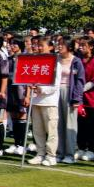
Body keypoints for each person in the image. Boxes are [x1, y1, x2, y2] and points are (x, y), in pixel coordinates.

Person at [28, 37, 60, 166]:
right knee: (37, 130)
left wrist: (41, 89)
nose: (39, 48)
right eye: (38, 45)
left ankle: (51, 156)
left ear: (50, 47)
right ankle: (40, 153)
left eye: (42, 45)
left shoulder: (55, 63)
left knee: (51, 131)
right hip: (36, 101)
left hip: (49, 102)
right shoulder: (36, 63)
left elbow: (55, 85)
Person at [56, 37, 85, 164]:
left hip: (70, 93)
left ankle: (70, 154)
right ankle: (59, 152)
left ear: (70, 47)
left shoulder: (76, 61)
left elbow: (80, 81)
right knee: (58, 124)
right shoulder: (56, 59)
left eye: (62, 44)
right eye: (58, 44)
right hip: (55, 93)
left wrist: (77, 98)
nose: (59, 46)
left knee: (70, 124)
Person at [77, 36, 94, 161]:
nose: (80, 47)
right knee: (81, 126)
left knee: (92, 127)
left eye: (83, 45)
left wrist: (79, 89)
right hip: (80, 99)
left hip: (92, 99)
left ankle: (92, 150)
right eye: (80, 45)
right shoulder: (78, 61)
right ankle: (81, 148)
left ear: (91, 47)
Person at [3, 36, 28, 155]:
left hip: (21, 90)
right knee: (14, 116)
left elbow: (28, 79)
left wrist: (27, 95)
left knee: (21, 116)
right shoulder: (9, 59)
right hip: (11, 90)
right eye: (10, 44)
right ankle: (16, 143)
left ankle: (22, 144)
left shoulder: (25, 58)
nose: (12, 46)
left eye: (15, 44)